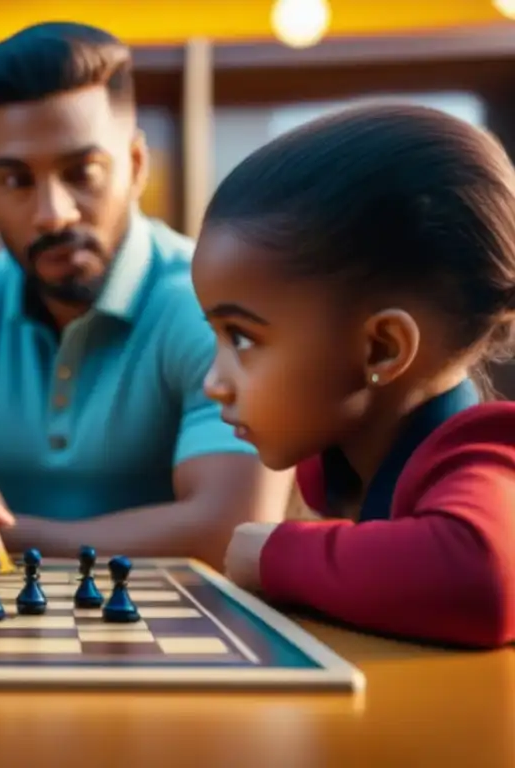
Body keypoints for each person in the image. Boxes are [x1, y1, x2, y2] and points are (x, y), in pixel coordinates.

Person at [0, 22, 294, 563]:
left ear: (134, 166)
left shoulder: (210, 309)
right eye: (16, 180)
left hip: (190, 643)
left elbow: (229, 531)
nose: (52, 213)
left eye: (82, 171)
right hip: (12, 637)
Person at [194, 103, 515, 648]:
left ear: (382, 349)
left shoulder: (480, 456)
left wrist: (276, 553)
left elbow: (488, 580)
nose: (213, 383)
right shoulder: (344, 472)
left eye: (242, 338)